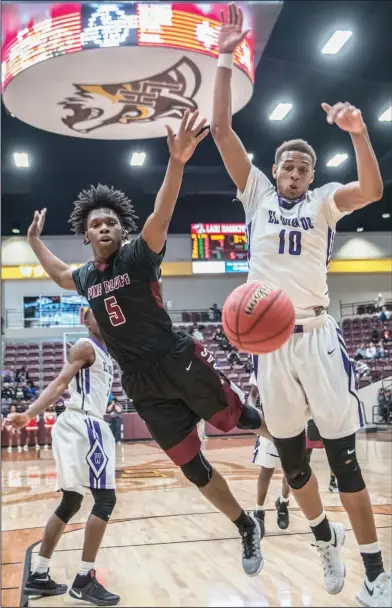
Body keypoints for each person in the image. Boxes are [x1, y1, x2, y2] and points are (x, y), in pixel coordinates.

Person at [26, 110, 269, 577]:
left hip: (175, 358)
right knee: (192, 467)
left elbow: (161, 213)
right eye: (96, 224)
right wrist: (35, 241)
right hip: (141, 383)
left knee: (242, 419)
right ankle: (244, 526)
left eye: (112, 223)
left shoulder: (138, 255)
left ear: (122, 231)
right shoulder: (83, 277)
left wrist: (176, 163)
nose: (104, 228)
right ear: (86, 234)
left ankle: (297, 443)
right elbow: (59, 273)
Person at [211, 4, 389, 605]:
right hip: (269, 346)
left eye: (302, 165)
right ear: (276, 170)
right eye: (286, 163)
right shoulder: (255, 192)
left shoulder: (323, 203)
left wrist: (359, 134)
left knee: (344, 464)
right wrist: (224, 57)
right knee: (291, 465)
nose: (292, 170)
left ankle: (375, 573)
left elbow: (371, 190)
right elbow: (221, 132)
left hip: (315, 335)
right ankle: (321, 538)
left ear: (310, 176)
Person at [6, 309, 119, 605]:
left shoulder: (108, 353)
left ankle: (39, 574)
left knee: (71, 502)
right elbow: (60, 383)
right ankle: (84, 580)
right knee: (105, 500)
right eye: (98, 315)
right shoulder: (85, 346)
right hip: (85, 424)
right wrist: (29, 413)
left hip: (79, 425)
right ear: (86, 321)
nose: (104, 319)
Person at [248, 373, 290, 532]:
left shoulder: (293, 364)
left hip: (292, 422)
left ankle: (283, 503)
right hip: (270, 423)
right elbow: (252, 394)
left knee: (291, 471)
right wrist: (252, 409)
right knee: (266, 470)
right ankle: (259, 510)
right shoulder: (261, 365)